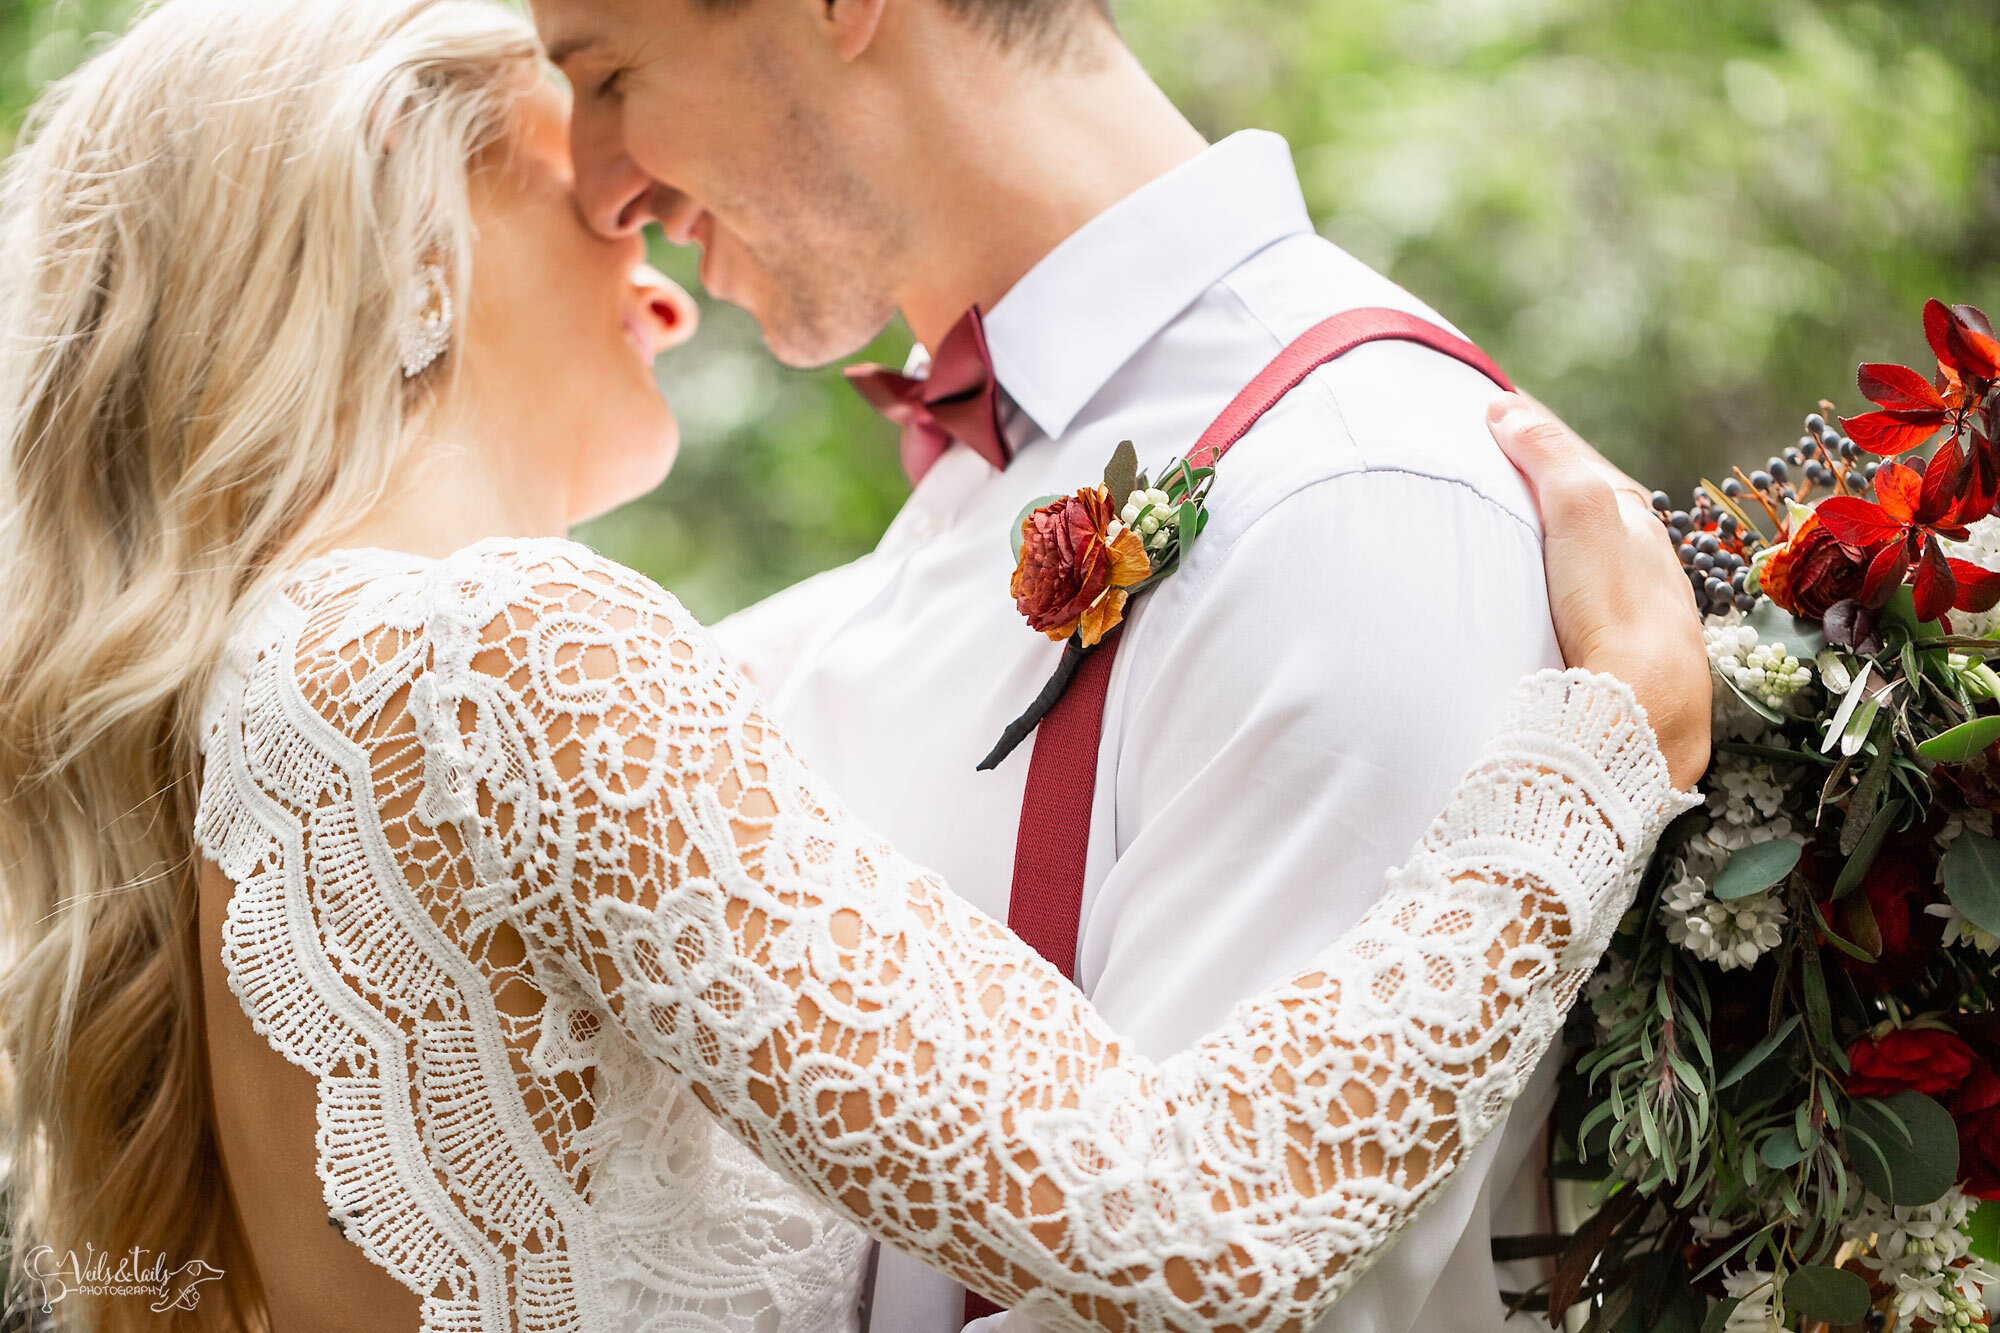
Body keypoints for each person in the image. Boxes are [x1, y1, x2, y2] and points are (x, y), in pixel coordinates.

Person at [0, 2, 1707, 1332]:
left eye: (610, 75)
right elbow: (1198, 1222)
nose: (635, 228)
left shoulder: (252, 712)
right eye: (570, 124)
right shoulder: (501, 656)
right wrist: (1599, 758)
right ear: (405, 248)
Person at [533, 0, 1690, 1327]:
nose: (600, 184)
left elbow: (1241, 1265)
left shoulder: (1349, 496)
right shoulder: (970, 497)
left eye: (611, 72)